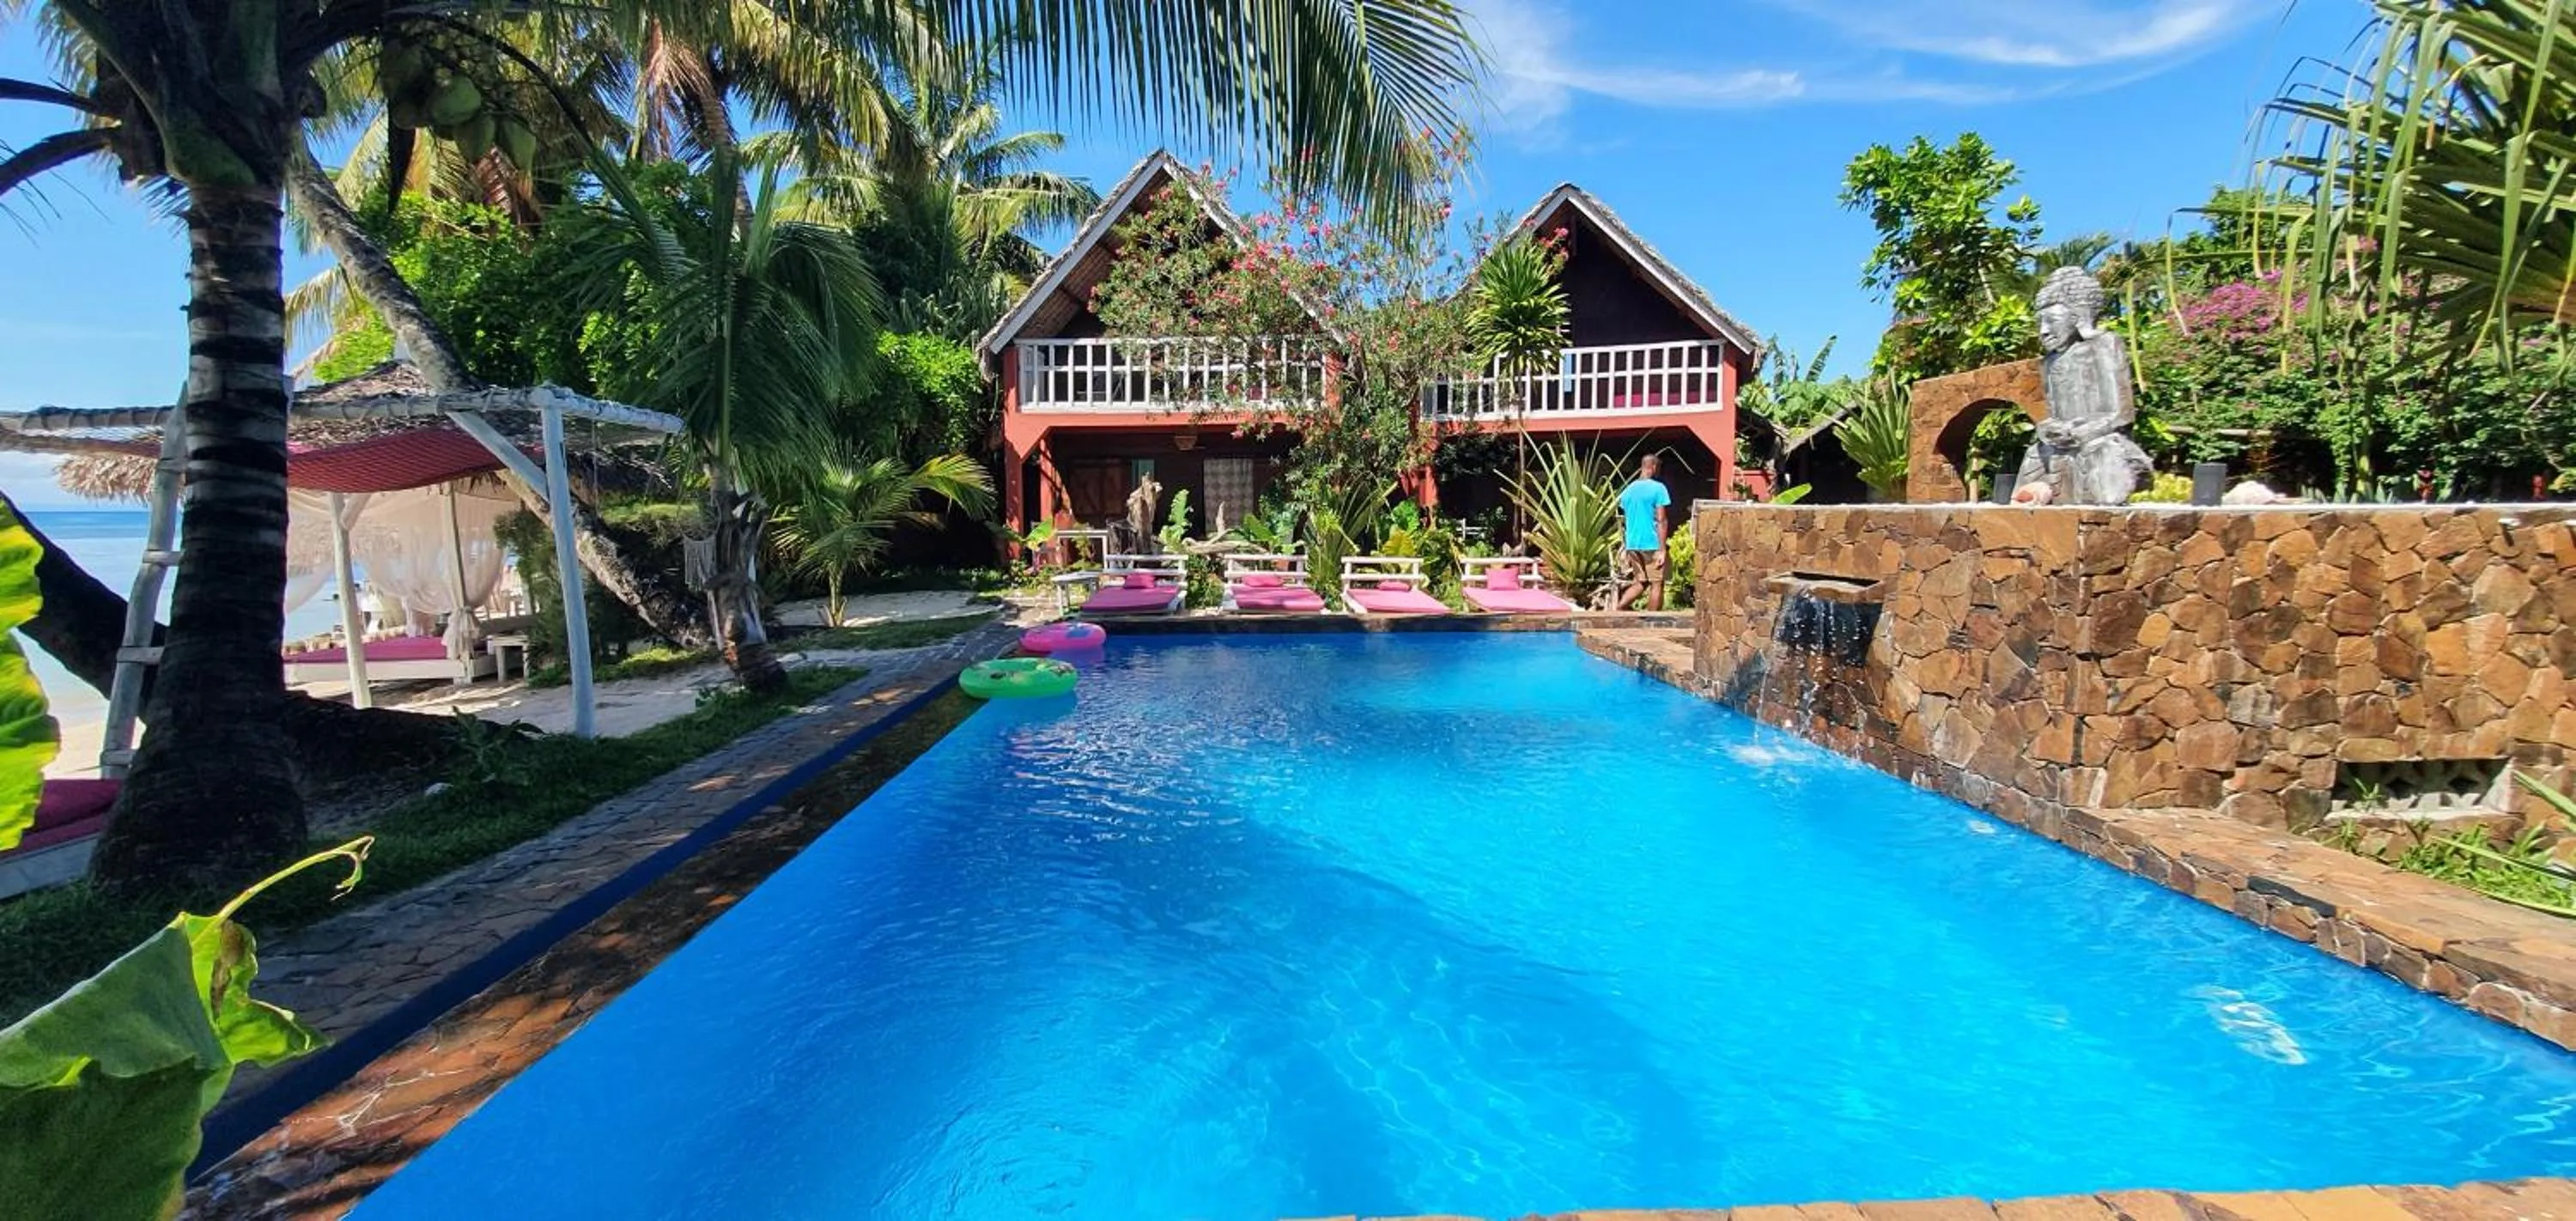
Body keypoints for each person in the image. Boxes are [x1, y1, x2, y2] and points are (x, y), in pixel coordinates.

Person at [1614, 453, 1673, 610]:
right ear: (1653, 467)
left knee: (1641, 582)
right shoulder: (1658, 488)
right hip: (1651, 543)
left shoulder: (1628, 490)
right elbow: (1661, 519)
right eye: (1658, 468)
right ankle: (1652, 621)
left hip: (1633, 543)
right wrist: (1662, 549)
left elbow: (1627, 516)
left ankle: (1618, 610)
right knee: (1657, 583)